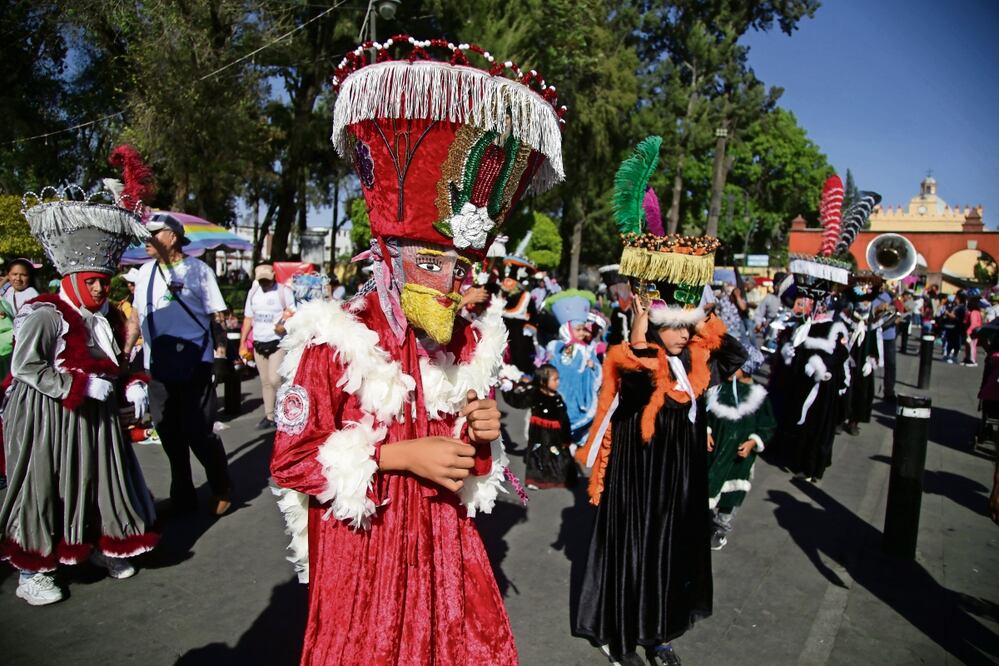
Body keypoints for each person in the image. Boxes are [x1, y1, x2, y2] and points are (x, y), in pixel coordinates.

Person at [269, 37, 565, 664]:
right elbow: (291, 463)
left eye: (460, 269)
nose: (450, 284)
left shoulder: (464, 344)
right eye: (431, 262)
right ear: (387, 260)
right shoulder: (330, 339)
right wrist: (401, 454)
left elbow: (475, 473)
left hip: (445, 562)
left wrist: (485, 437)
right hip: (365, 565)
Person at [574, 140, 744, 666]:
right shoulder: (637, 358)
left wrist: (706, 316)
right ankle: (625, 635)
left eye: (685, 325)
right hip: (641, 475)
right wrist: (645, 327)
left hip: (681, 476)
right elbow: (632, 381)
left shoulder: (698, 357)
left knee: (673, 555)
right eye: (672, 325)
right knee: (639, 552)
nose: (679, 334)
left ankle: (662, 633)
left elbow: (734, 354)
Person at [1, 168, 158, 605]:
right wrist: (78, 385)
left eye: (102, 280)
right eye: (90, 280)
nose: (98, 286)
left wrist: (133, 383)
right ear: (71, 278)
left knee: (100, 481)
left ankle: (100, 546)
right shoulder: (43, 313)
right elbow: (26, 366)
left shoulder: (107, 314)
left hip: (97, 418)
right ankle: (34, 569)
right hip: (48, 416)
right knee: (44, 486)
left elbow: (116, 360)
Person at [124, 214, 233, 516]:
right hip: (158, 365)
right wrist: (125, 349)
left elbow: (217, 317)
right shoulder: (144, 272)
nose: (147, 240)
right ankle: (183, 494)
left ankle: (222, 484)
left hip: (195, 362)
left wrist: (221, 355)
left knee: (198, 431)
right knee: (168, 432)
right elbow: (135, 317)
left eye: (154, 234)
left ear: (172, 237)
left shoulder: (199, 270)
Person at [705, 361, 776, 551]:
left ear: (746, 369)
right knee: (708, 484)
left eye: (734, 366)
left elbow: (767, 425)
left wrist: (753, 442)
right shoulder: (719, 388)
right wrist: (707, 431)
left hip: (738, 457)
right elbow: (706, 413)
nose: (727, 369)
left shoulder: (759, 397)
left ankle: (720, 527)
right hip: (715, 450)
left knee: (732, 493)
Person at [239, 264, 295, 429]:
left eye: (267, 280)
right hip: (259, 341)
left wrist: (284, 325)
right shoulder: (253, 293)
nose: (264, 283)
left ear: (273, 277)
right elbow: (248, 318)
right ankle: (269, 416)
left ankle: (285, 411)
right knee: (265, 381)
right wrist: (242, 342)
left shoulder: (283, 291)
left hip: (277, 341)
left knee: (275, 379)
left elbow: (293, 312)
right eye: (261, 280)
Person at [505, 364, 576, 489]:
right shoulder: (534, 394)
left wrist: (566, 438)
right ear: (543, 381)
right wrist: (508, 390)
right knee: (537, 455)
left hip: (555, 436)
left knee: (556, 456)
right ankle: (535, 480)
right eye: (555, 379)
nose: (558, 382)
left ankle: (558, 478)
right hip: (538, 434)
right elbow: (518, 401)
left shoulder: (558, 399)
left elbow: (564, 420)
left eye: (558, 379)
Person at [545, 290, 601, 441]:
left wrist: (593, 368)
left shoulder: (587, 349)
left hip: (579, 397)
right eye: (578, 329)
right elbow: (555, 368)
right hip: (562, 394)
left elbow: (596, 369)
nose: (582, 333)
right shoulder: (557, 347)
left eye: (583, 329)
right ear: (567, 329)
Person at [873, 284, 898, 401]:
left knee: (890, 365)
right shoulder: (871, 296)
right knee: (871, 363)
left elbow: (902, 309)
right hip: (875, 334)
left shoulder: (890, 296)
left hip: (889, 336)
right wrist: (878, 310)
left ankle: (889, 391)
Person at [963, 299, 983, 367]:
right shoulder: (977, 312)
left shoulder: (974, 312)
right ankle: (968, 359)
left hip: (973, 331)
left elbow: (973, 323)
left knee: (971, 346)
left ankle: (972, 360)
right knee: (970, 345)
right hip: (975, 331)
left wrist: (968, 331)